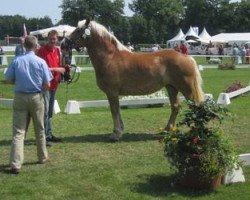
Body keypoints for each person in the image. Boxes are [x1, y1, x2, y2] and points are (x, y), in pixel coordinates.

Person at [4, 35, 53, 174]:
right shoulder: (41, 61)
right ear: (36, 46)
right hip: (36, 96)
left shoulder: (17, 61)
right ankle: (42, 156)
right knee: (40, 129)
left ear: (24, 46)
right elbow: (47, 84)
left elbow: (7, 79)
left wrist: (17, 82)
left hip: (20, 96)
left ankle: (15, 163)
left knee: (18, 132)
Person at [37, 30, 65, 145]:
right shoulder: (42, 51)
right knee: (45, 112)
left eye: (54, 39)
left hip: (54, 85)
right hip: (45, 86)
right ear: (47, 39)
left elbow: (58, 65)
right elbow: (41, 69)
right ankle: (44, 137)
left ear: (57, 40)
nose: (52, 41)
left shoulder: (57, 51)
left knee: (49, 112)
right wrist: (57, 69)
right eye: (50, 39)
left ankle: (48, 134)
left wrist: (64, 68)